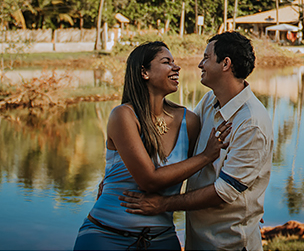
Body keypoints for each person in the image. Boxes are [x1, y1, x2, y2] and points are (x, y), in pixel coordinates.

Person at [121, 32, 274, 251]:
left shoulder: (250, 122)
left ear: (225, 63)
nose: (200, 64)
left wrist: (162, 204)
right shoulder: (211, 100)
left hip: (227, 241)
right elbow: (181, 147)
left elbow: (225, 191)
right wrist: (116, 176)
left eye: (206, 58)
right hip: (200, 238)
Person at [74, 41, 231, 251]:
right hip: (106, 235)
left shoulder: (189, 121)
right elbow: (149, 180)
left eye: (174, 62)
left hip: (161, 238)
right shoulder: (124, 116)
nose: (177, 67)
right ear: (144, 72)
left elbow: (203, 176)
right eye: (167, 62)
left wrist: (245, 209)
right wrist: (205, 156)